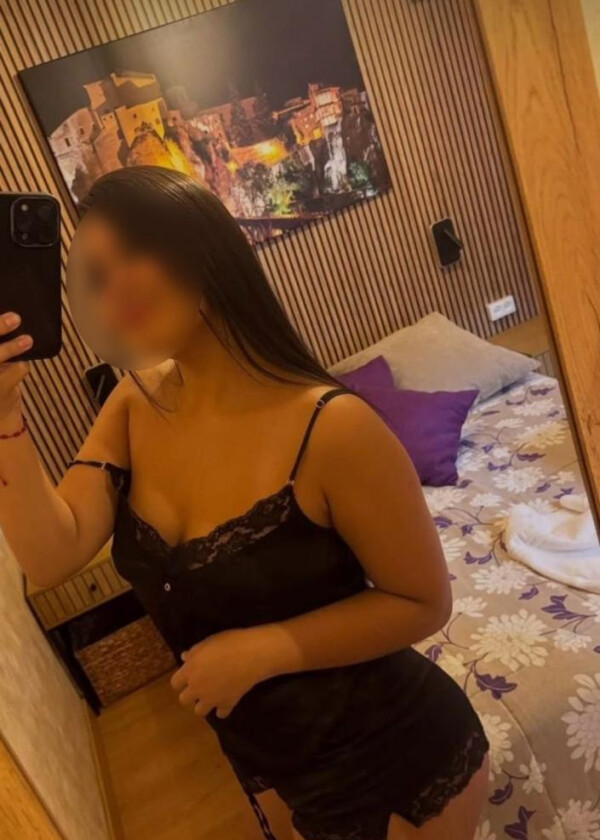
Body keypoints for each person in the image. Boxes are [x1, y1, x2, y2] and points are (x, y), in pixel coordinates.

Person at [0, 167, 489, 840]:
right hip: (266, 760)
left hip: (390, 755)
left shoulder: (333, 427)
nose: (115, 290)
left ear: (200, 244)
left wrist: (263, 650)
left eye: (134, 252)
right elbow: (51, 555)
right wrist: (5, 412)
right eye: (97, 277)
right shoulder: (134, 403)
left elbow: (424, 603)